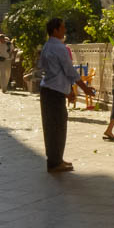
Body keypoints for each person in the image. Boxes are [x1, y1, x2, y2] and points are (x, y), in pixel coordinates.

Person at [37, 16, 79, 172]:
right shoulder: (59, 48)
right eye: (62, 28)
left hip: (50, 89)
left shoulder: (47, 46)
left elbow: (44, 67)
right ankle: (55, 162)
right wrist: (83, 87)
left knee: (52, 126)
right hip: (54, 91)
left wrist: (69, 91)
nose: (65, 30)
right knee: (57, 127)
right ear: (55, 30)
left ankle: (56, 159)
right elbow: (69, 71)